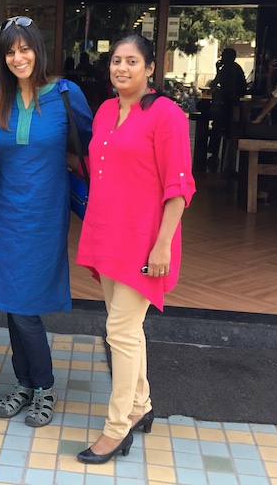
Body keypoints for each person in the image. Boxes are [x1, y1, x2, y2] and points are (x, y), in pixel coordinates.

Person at [75, 34, 195, 464]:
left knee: (120, 332)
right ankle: (141, 405)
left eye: (131, 61)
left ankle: (116, 427)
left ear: (150, 68)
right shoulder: (107, 110)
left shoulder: (168, 115)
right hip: (108, 234)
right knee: (125, 329)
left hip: (145, 242)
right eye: (115, 61)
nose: (120, 68)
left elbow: (179, 187)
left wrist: (162, 245)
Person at [0, 16, 92, 428]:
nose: (17, 57)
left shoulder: (66, 94)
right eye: (10, 51)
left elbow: (91, 146)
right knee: (11, 303)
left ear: (38, 50)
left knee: (25, 306)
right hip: (4, 213)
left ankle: (42, 385)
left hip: (43, 216)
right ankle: (25, 384)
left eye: (24, 48)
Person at [207, 47, 247, 164]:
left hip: (228, 107)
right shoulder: (232, 68)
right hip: (229, 105)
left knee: (217, 127)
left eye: (224, 55)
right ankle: (215, 154)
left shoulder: (230, 69)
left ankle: (214, 154)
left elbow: (215, 84)